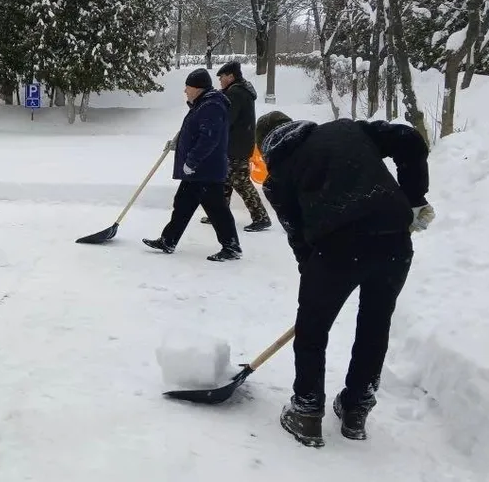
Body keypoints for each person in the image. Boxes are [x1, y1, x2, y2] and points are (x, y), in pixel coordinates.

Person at [255, 111, 435, 448]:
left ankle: (307, 412)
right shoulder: (346, 130)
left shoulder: (277, 180)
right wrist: (413, 199)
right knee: (374, 323)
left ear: (265, 149)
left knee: (312, 329)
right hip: (393, 239)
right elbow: (409, 140)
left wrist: (315, 283)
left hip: (337, 248)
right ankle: (356, 409)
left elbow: (299, 237)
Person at [142, 68, 242, 262]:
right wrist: (177, 145)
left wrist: (191, 161)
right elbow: (195, 133)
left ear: (197, 88)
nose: (185, 91)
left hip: (205, 169)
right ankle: (168, 240)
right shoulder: (202, 104)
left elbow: (209, 139)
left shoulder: (212, 105)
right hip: (199, 170)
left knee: (217, 209)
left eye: (187, 87)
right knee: (182, 204)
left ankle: (232, 247)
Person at [199, 61, 272, 232]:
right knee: (223, 181)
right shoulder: (237, 91)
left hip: (236, 147)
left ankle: (261, 218)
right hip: (235, 144)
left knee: (241, 182)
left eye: (222, 77)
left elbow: (226, 119)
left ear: (231, 76)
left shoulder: (236, 93)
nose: (220, 80)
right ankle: (218, 214)